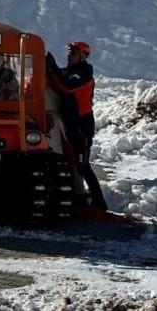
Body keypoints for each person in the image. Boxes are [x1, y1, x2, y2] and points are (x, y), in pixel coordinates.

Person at [46, 40, 107, 210]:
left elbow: (67, 86)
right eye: (69, 53)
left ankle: (99, 203)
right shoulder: (71, 71)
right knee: (70, 158)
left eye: (73, 53)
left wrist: (52, 66)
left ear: (82, 56)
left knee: (83, 164)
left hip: (82, 125)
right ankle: (78, 196)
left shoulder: (84, 73)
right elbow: (56, 79)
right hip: (70, 122)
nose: (69, 56)